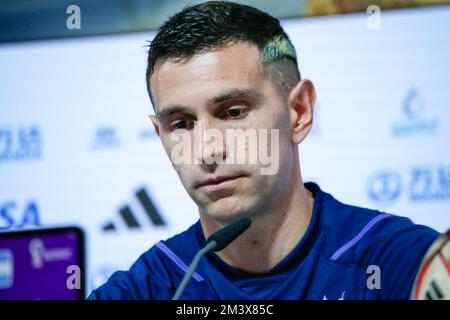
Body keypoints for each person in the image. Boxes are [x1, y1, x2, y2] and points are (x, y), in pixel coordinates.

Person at [88, 1, 440, 300]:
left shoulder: (402, 264)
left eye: (233, 112)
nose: (207, 149)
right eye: (181, 123)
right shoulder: (151, 287)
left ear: (299, 112)